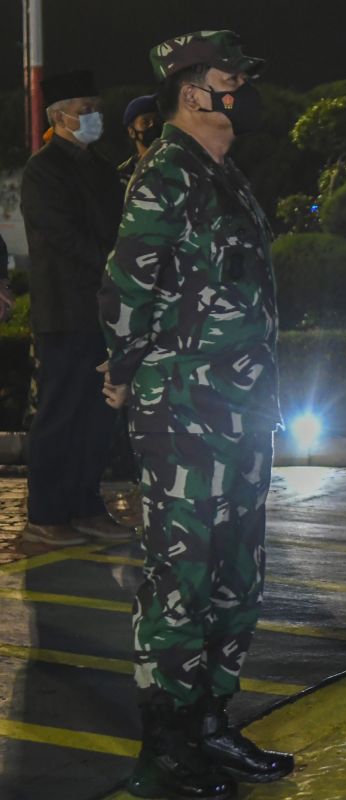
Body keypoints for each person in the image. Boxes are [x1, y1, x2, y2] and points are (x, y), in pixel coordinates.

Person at [99, 30, 292, 799]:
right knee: (179, 579)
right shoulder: (167, 172)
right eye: (229, 76)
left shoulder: (224, 172)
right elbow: (126, 286)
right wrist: (121, 372)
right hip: (183, 410)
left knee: (236, 576)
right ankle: (168, 747)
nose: (241, 86)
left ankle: (212, 723)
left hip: (243, 410)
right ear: (190, 89)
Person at [19, 69, 128, 547]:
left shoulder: (102, 168)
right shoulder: (43, 170)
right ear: (59, 117)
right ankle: (46, 513)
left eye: (96, 109)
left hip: (104, 312)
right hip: (64, 312)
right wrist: (111, 262)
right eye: (85, 111)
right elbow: (61, 235)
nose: (94, 118)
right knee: (60, 414)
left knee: (98, 415)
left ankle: (86, 506)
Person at [117, 94, 163, 186]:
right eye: (145, 122)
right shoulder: (124, 173)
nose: (152, 126)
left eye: (157, 120)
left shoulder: (176, 160)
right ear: (132, 132)